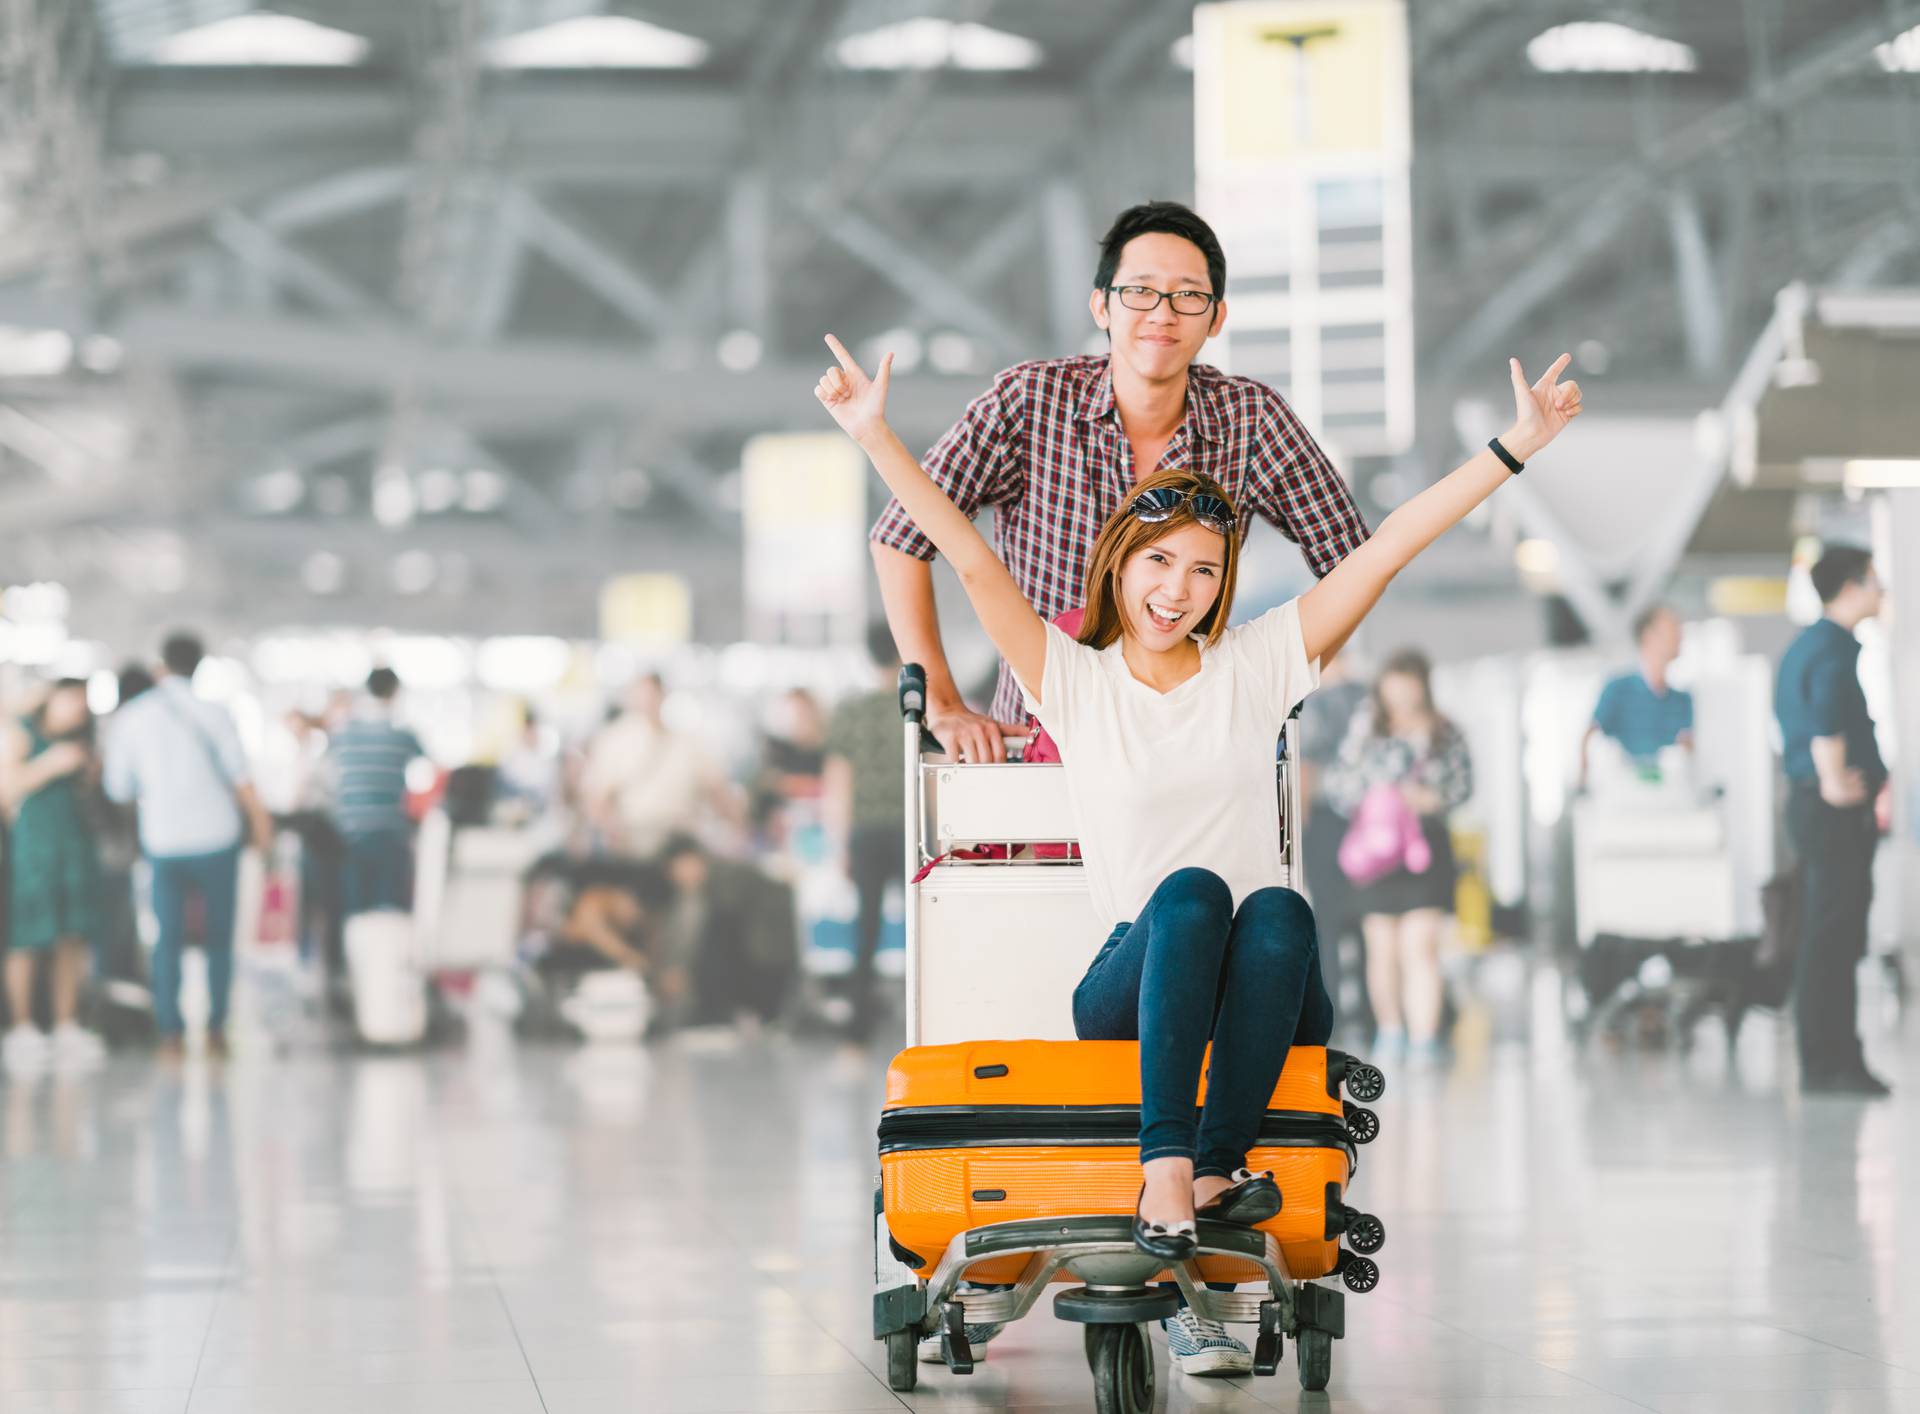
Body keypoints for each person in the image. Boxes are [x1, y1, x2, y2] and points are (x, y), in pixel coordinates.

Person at [815, 330, 1581, 1376]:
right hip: (1133, 981)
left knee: (1281, 913)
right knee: (1194, 892)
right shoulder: (1072, 679)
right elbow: (968, 553)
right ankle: (1171, 1167)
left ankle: (1211, 1169)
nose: (1177, 589)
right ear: (1122, 563)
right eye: (1160, 561)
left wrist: (1515, 447)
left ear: (1225, 586)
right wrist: (875, 434)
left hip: (1259, 994)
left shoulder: (1260, 664)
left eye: (1204, 570)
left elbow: (1387, 545)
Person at [870, 200, 1369, 766]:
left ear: (1216, 317)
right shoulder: (1028, 403)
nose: (1163, 313)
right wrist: (942, 703)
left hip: (1188, 752)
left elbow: (1356, 564)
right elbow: (899, 537)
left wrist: (1271, 687)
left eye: (1187, 295)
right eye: (1140, 291)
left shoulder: (1250, 419)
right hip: (1041, 747)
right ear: (1102, 306)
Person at [103, 631, 273, 1060]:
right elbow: (241, 777)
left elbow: (119, 788)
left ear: (162, 664)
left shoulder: (133, 718)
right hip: (217, 838)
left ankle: (170, 1035)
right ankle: (216, 1031)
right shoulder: (217, 713)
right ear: (199, 665)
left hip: (164, 841)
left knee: (168, 939)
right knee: (218, 937)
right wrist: (261, 825)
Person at [1774, 545, 1890, 1096]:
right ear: (1850, 585)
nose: (1880, 589)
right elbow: (1824, 711)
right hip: (1829, 811)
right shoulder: (1831, 648)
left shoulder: (1814, 644)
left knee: (1832, 934)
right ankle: (1829, 1061)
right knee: (1832, 936)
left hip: (1818, 808)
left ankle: (1835, 1056)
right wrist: (1833, 775)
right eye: (1874, 579)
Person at [1322, 650, 1474, 1066]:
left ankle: (1424, 1039)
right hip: (1376, 854)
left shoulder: (1445, 733)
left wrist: (1430, 798)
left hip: (1425, 852)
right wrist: (1376, 797)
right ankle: (1391, 1032)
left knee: (1420, 947)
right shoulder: (1365, 731)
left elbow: (1463, 787)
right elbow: (1339, 786)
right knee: (1382, 948)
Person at [1, 679, 109, 1074]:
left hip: (74, 847)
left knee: (72, 934)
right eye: (71, 699)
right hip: (33, 849)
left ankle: (66, 1024)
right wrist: (50, 765)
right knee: (27, 935)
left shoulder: (84, 742)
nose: (77, 709)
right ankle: (23, 1025)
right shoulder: (20, 735)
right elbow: (6, 790)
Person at [822, 623, 909, 1038]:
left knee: (866, 928)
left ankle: (857, 1030)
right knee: (925, 927)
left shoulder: (851, 711)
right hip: (913, 832)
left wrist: (839, 844)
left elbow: (838, 782)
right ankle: (929, 1022)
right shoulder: (917, 707)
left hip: (866, 832)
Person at [579, 673, 738, 857]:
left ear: (663, 696)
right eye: (641, 695)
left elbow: (717, 790)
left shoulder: (688, 743)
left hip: (679, 843)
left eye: (652, 694)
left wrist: (734, 826)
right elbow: (595, 798)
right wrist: (611, 831)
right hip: (632, 842)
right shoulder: (613, 741)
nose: (647, 702)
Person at [1296, 653, 1372, 1034]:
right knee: (1369, 919)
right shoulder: (1369, 696)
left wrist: (1301, 828)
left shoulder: (1318, 700)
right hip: (1375, 822)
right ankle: (1374, 1013)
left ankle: (1334, 1012)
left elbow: (1305, 767)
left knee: (1327, 918)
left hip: (1326, 820)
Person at [326, 667, 427, 916]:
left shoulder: (343, 732)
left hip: (350, 832)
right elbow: (427, 768)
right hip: (390, 830)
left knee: (355, 907)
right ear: (395, 692)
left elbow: (330, 775)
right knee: (387, 909)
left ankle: (357, 954)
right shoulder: (402, 735)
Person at [1582, 603, 1693, 783]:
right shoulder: (1617, 690)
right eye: (1672, 628)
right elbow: (1590, 739)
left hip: (1671, 799)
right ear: (1648, 636)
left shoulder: (1682, 701)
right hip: (1621, 798)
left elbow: (1690, 753)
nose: (1680, 635)